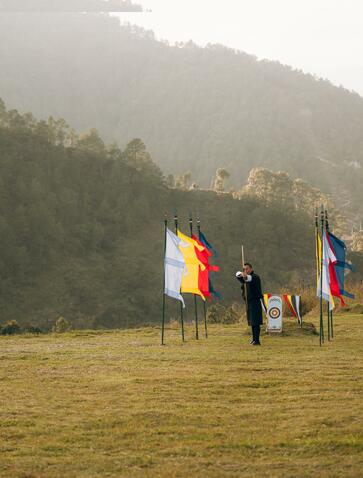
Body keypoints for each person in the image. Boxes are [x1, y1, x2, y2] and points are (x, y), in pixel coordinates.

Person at [236, 263, 263, 345]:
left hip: (255, 301)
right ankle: (254, 339)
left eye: (247, 269)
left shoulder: (255, 277)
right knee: (252, 322)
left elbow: (249, 278)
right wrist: (242, 273)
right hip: (249, 302)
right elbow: (237, 275)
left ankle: (257, 340)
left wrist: (245, 276)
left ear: (251, 269)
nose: (246, 270)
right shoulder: (245, 277)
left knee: (256, 322)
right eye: (244, 269)